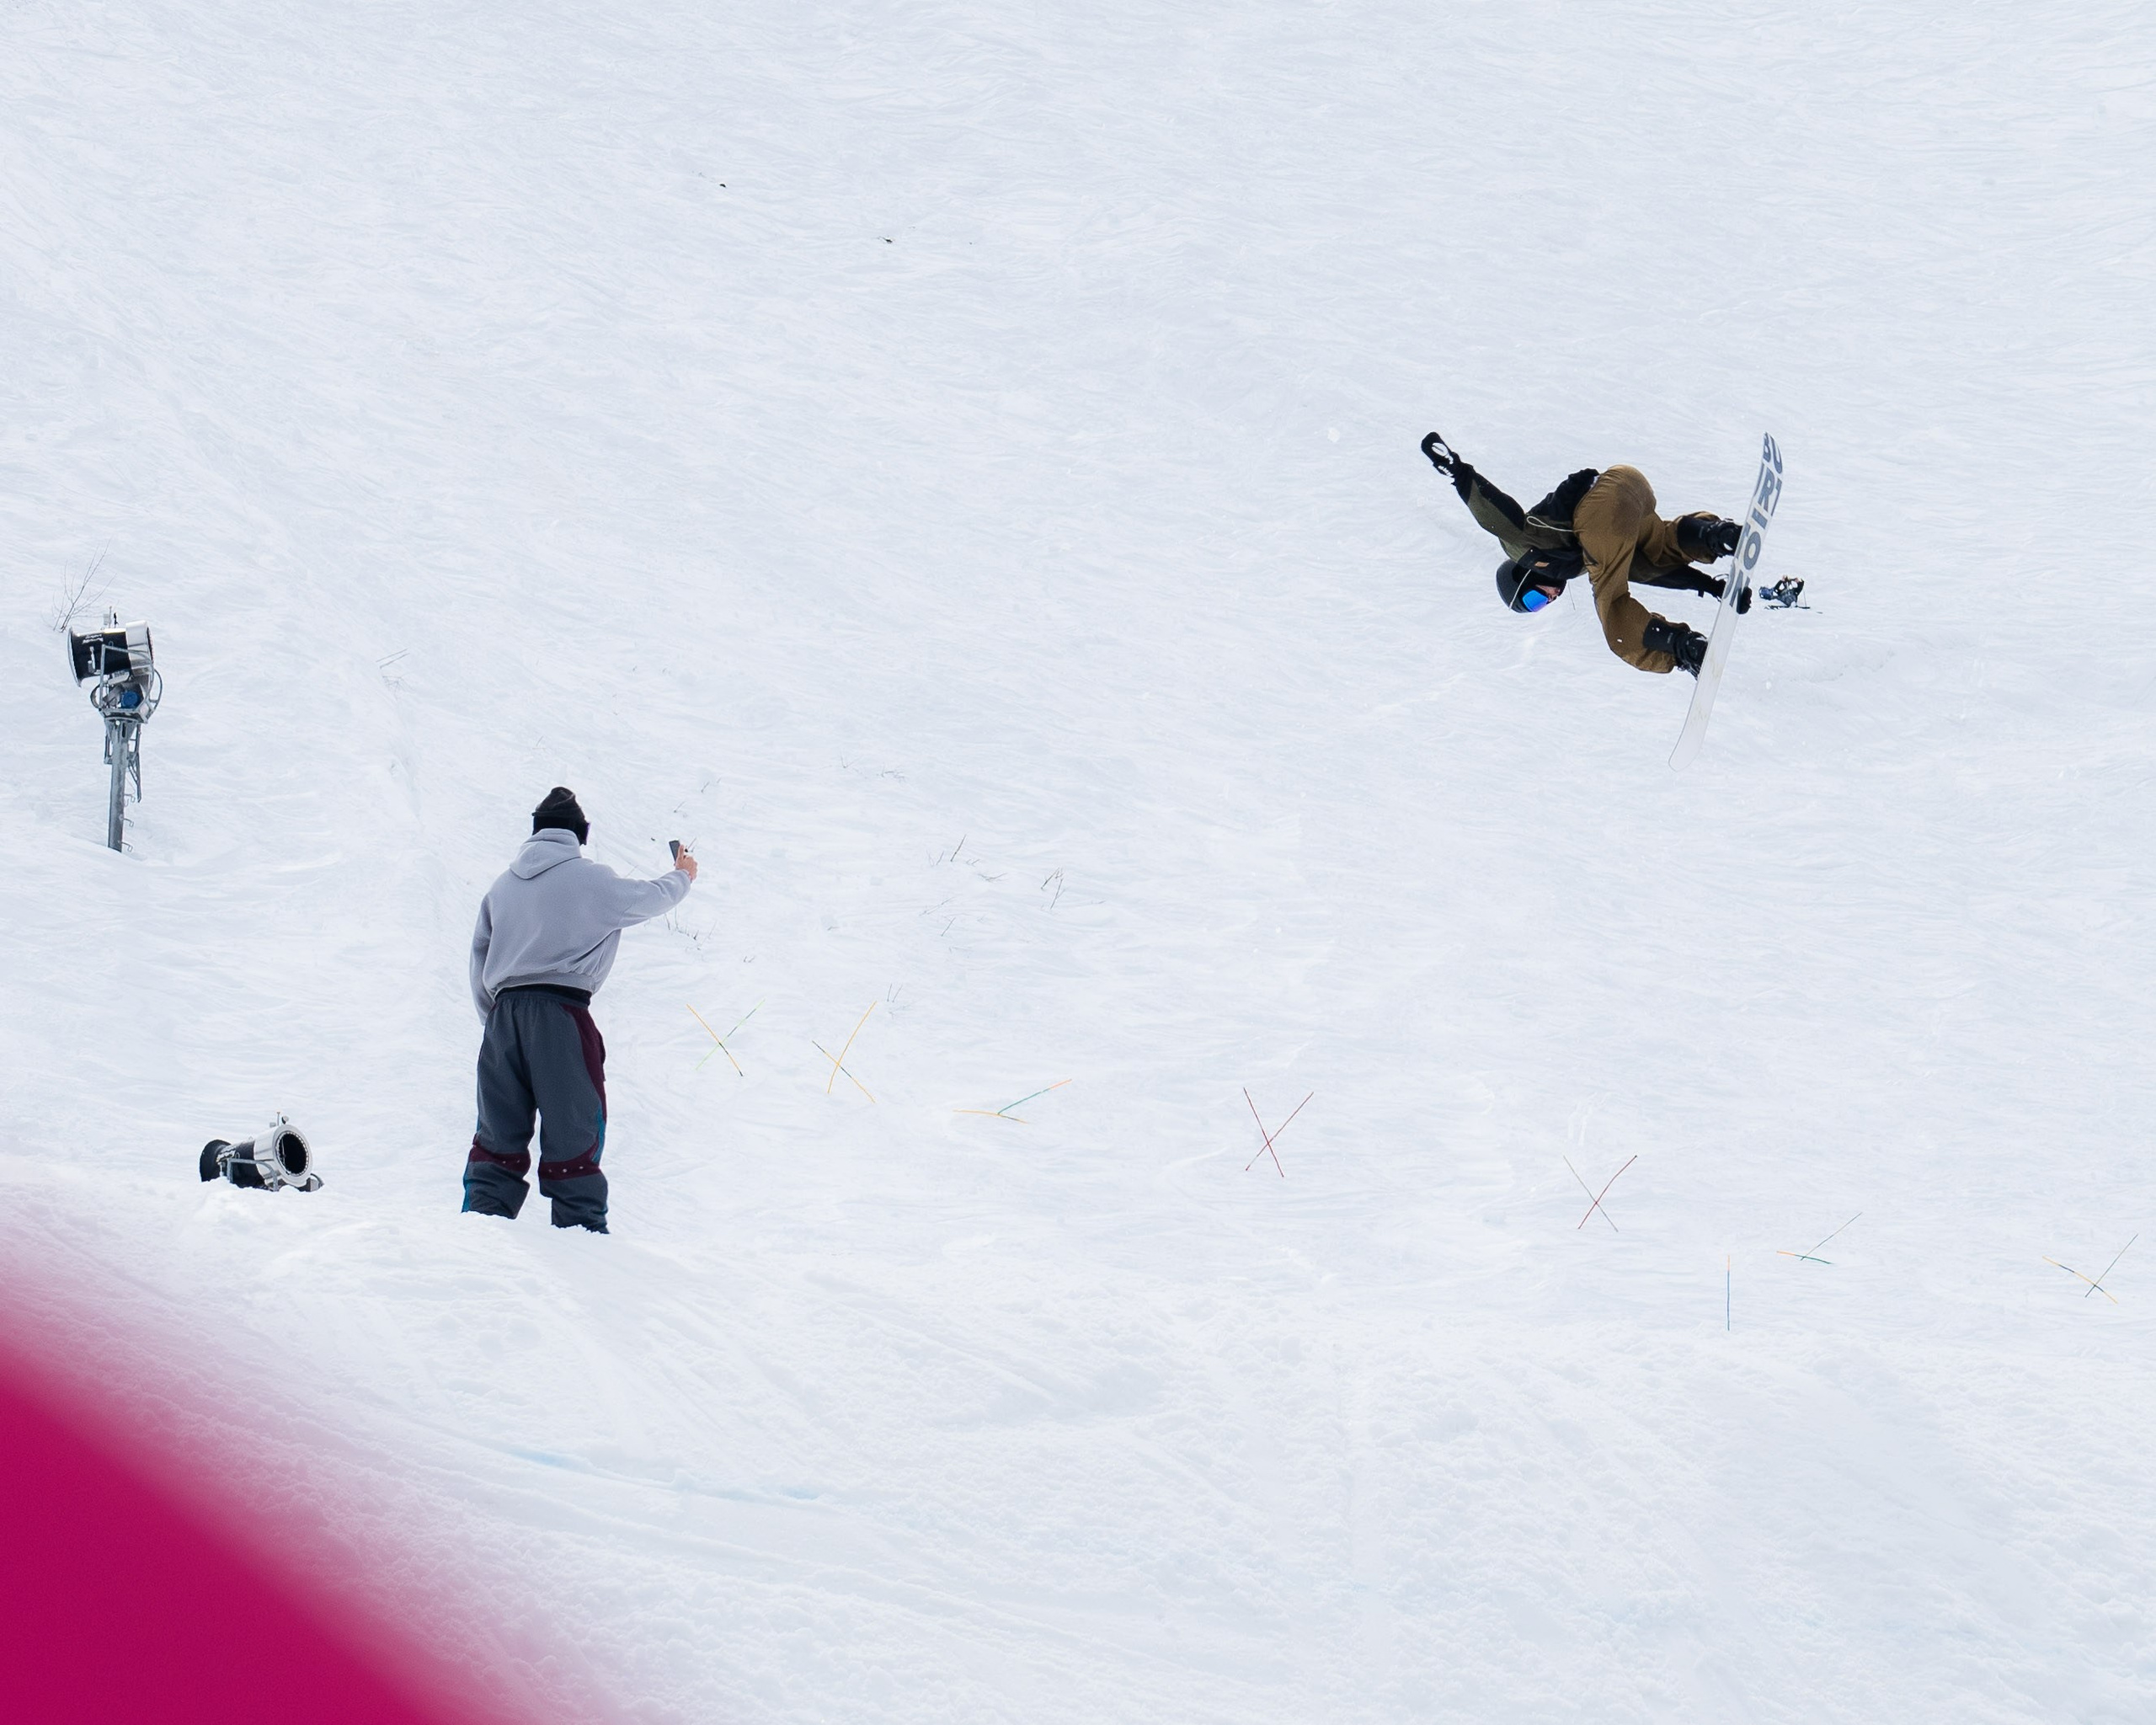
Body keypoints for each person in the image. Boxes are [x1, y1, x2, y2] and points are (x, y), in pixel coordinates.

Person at [462, 787, 696, 1232]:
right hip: (561, 1013)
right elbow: (651, 898)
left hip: (502, 1018)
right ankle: (581, 1237)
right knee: (574, 1129)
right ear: (579, 834)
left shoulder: (501, 888)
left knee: (498, 1134)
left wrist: (494, 1026)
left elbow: (479, 960)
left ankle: (480, 1231)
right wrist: (682, 875)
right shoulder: (590, 879)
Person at [1420, 430, 1746, 677]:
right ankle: (1716, 536)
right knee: (1656, 546)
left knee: (1615, 621)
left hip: (1598, 512)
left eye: (1534, 599)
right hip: (1628, 483)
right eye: (1538, 607)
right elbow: (1646, 570)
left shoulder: (1526, 551)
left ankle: (1683, 648)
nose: (1548, 600)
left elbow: (1498, 519)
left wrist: (1456, 471)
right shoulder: (1580, 560)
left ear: (1525, 576)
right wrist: (1712, 586)